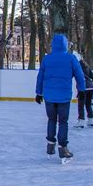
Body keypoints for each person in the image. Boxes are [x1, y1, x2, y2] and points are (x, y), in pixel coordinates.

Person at [35, 34, 86, 164]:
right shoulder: (71, 58)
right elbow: (79, 75)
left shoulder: (47, 59)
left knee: (51, 119)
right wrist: (82, 90)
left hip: (49, 96)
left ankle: (50, 145)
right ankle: (63, 149)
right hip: (63, 97)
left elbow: (40, 76)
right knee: (63, 122)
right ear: (66, 45)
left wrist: (38, 93)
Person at [73, 52, 93, 129]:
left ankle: (81, 121)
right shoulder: (86, 65)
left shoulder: (76, 66)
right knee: (88, 104)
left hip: (83, 88)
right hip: (90, 87)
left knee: (81, 105)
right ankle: (90, 120)